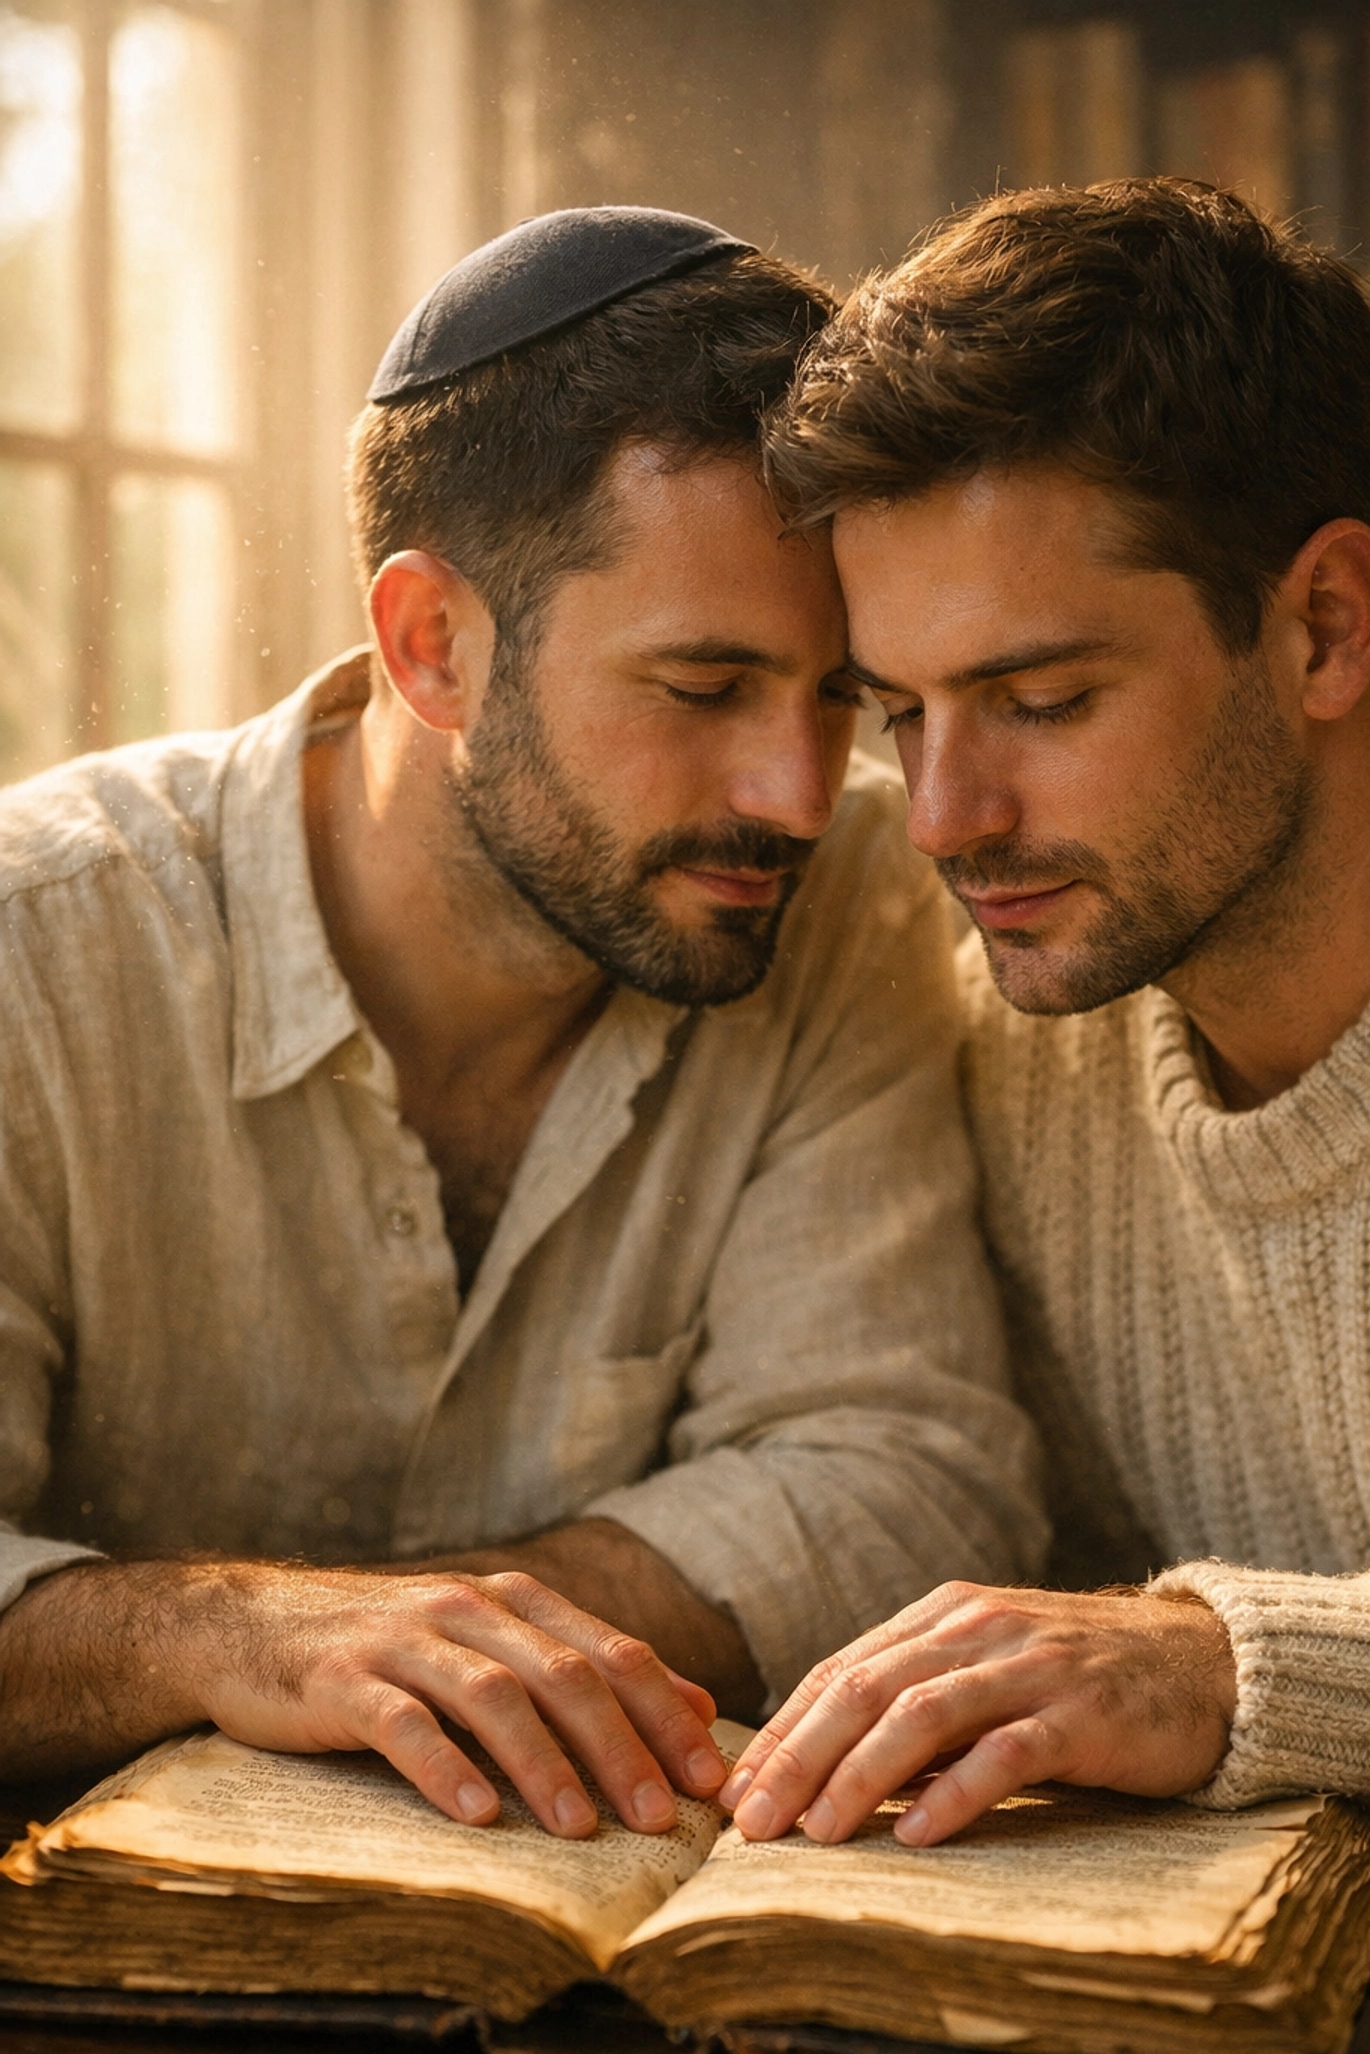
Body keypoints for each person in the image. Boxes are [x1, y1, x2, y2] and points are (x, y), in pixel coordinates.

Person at [0, 208, 1038, 1839]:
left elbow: (902, 1473)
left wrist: (426, 1642)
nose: (799, 793)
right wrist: (229, 1632)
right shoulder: (36, 948)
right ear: (434, 648)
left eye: (842, 695)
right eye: (703, 690)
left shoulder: (841, 907)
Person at [721, 178, 1370, 1872]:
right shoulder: (1023, 1003)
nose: (944, 816)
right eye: (896, 715)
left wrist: (1233, 1670)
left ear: (1325, 625)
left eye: (1041, 702)